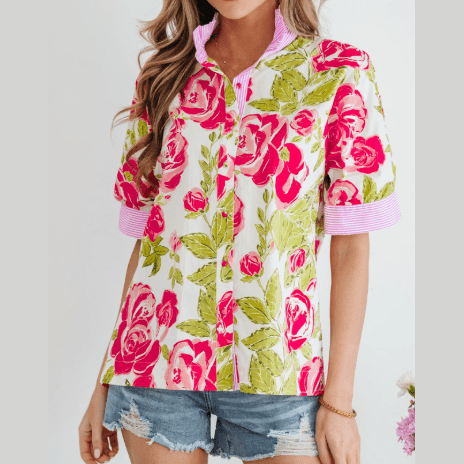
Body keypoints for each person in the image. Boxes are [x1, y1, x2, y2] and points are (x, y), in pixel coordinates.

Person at [78, 0, 401, 463]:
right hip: (153, 367)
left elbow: (351, 248)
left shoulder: (340, 72)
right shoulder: (162, 77)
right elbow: (150, 248)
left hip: (281, 373)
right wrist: (104, 381)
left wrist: (339, 402)